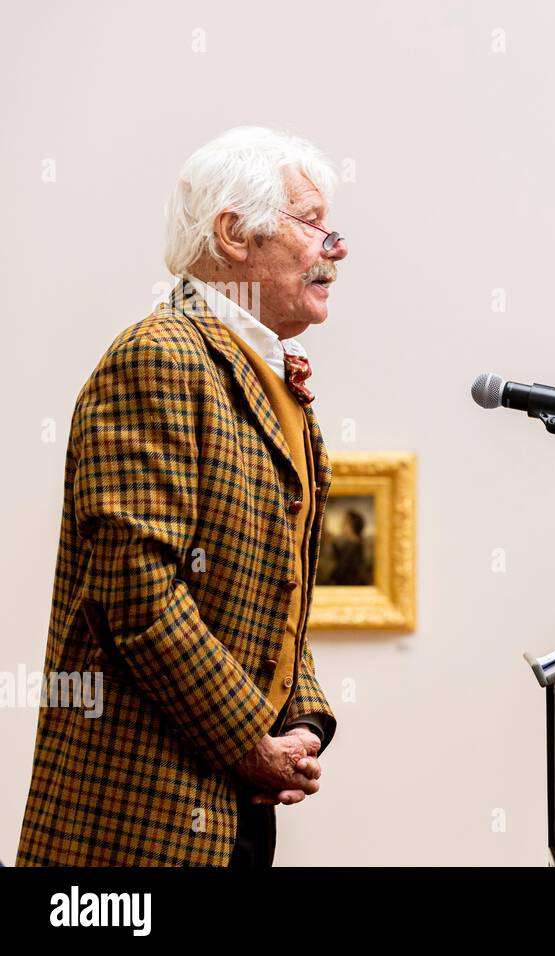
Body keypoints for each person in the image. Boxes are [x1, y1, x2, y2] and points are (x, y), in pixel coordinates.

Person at [17, 127, 347, 866]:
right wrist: (250, 743)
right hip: (141, 823)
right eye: (313, 222)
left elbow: (272, 597)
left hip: (232, 808)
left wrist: (303, 722)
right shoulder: (160, 357)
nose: (337, 247)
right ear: (233, 234)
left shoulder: (274, 380)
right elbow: (139, 593)